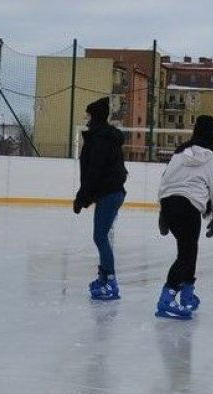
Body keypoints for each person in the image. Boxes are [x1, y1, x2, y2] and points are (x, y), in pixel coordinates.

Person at [155, 115, 213, 320]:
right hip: (189, 206)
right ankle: (167, 298)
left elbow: (165, 180)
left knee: (188, 249)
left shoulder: (179, 154)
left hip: (169, 202)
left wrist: (162, 211)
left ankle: (187, 294)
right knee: (186, 254)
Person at [72, 97, 128, 300]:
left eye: (88, 114)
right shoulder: (101, 136)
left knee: (100, 236)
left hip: (109, 193)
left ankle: (110, 280)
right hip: (110, 192)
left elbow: (94, 170)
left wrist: (82, 197)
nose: (86, 118)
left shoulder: (101, 138)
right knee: (102, 236)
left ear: (95, 116)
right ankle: (105, 277)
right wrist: (85, 196)